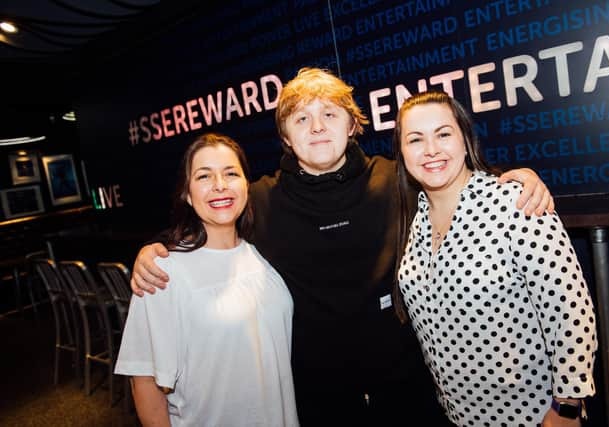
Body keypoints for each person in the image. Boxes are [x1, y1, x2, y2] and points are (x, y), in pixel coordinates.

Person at [130, 68, 554, 426]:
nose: (317, 127)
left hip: (407, 386)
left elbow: (452, 178)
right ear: (285, 137)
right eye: (301, 119)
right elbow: (210, 219)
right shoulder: (259, 198)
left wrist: (517, 178)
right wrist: (152, 250)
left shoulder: (397, 180)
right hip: (318, 397)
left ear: (352, 125)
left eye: (329, 115)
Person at [393, 91, 597, 427]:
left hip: (532, 416)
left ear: (464, 139)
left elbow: (571, 309)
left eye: (443, 134)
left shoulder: (514, 202)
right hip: (459, 416)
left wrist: (567, 407)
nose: (431, 149)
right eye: (415, 139)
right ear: (401, 153)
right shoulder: (414, 220)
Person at [114, 133, 299, 427]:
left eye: (230, 173)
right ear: (187, 194)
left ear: (246, 186)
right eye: (204, 176)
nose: (220, 185)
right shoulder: (163, 271)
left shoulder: (261, 255)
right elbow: (145, 382)